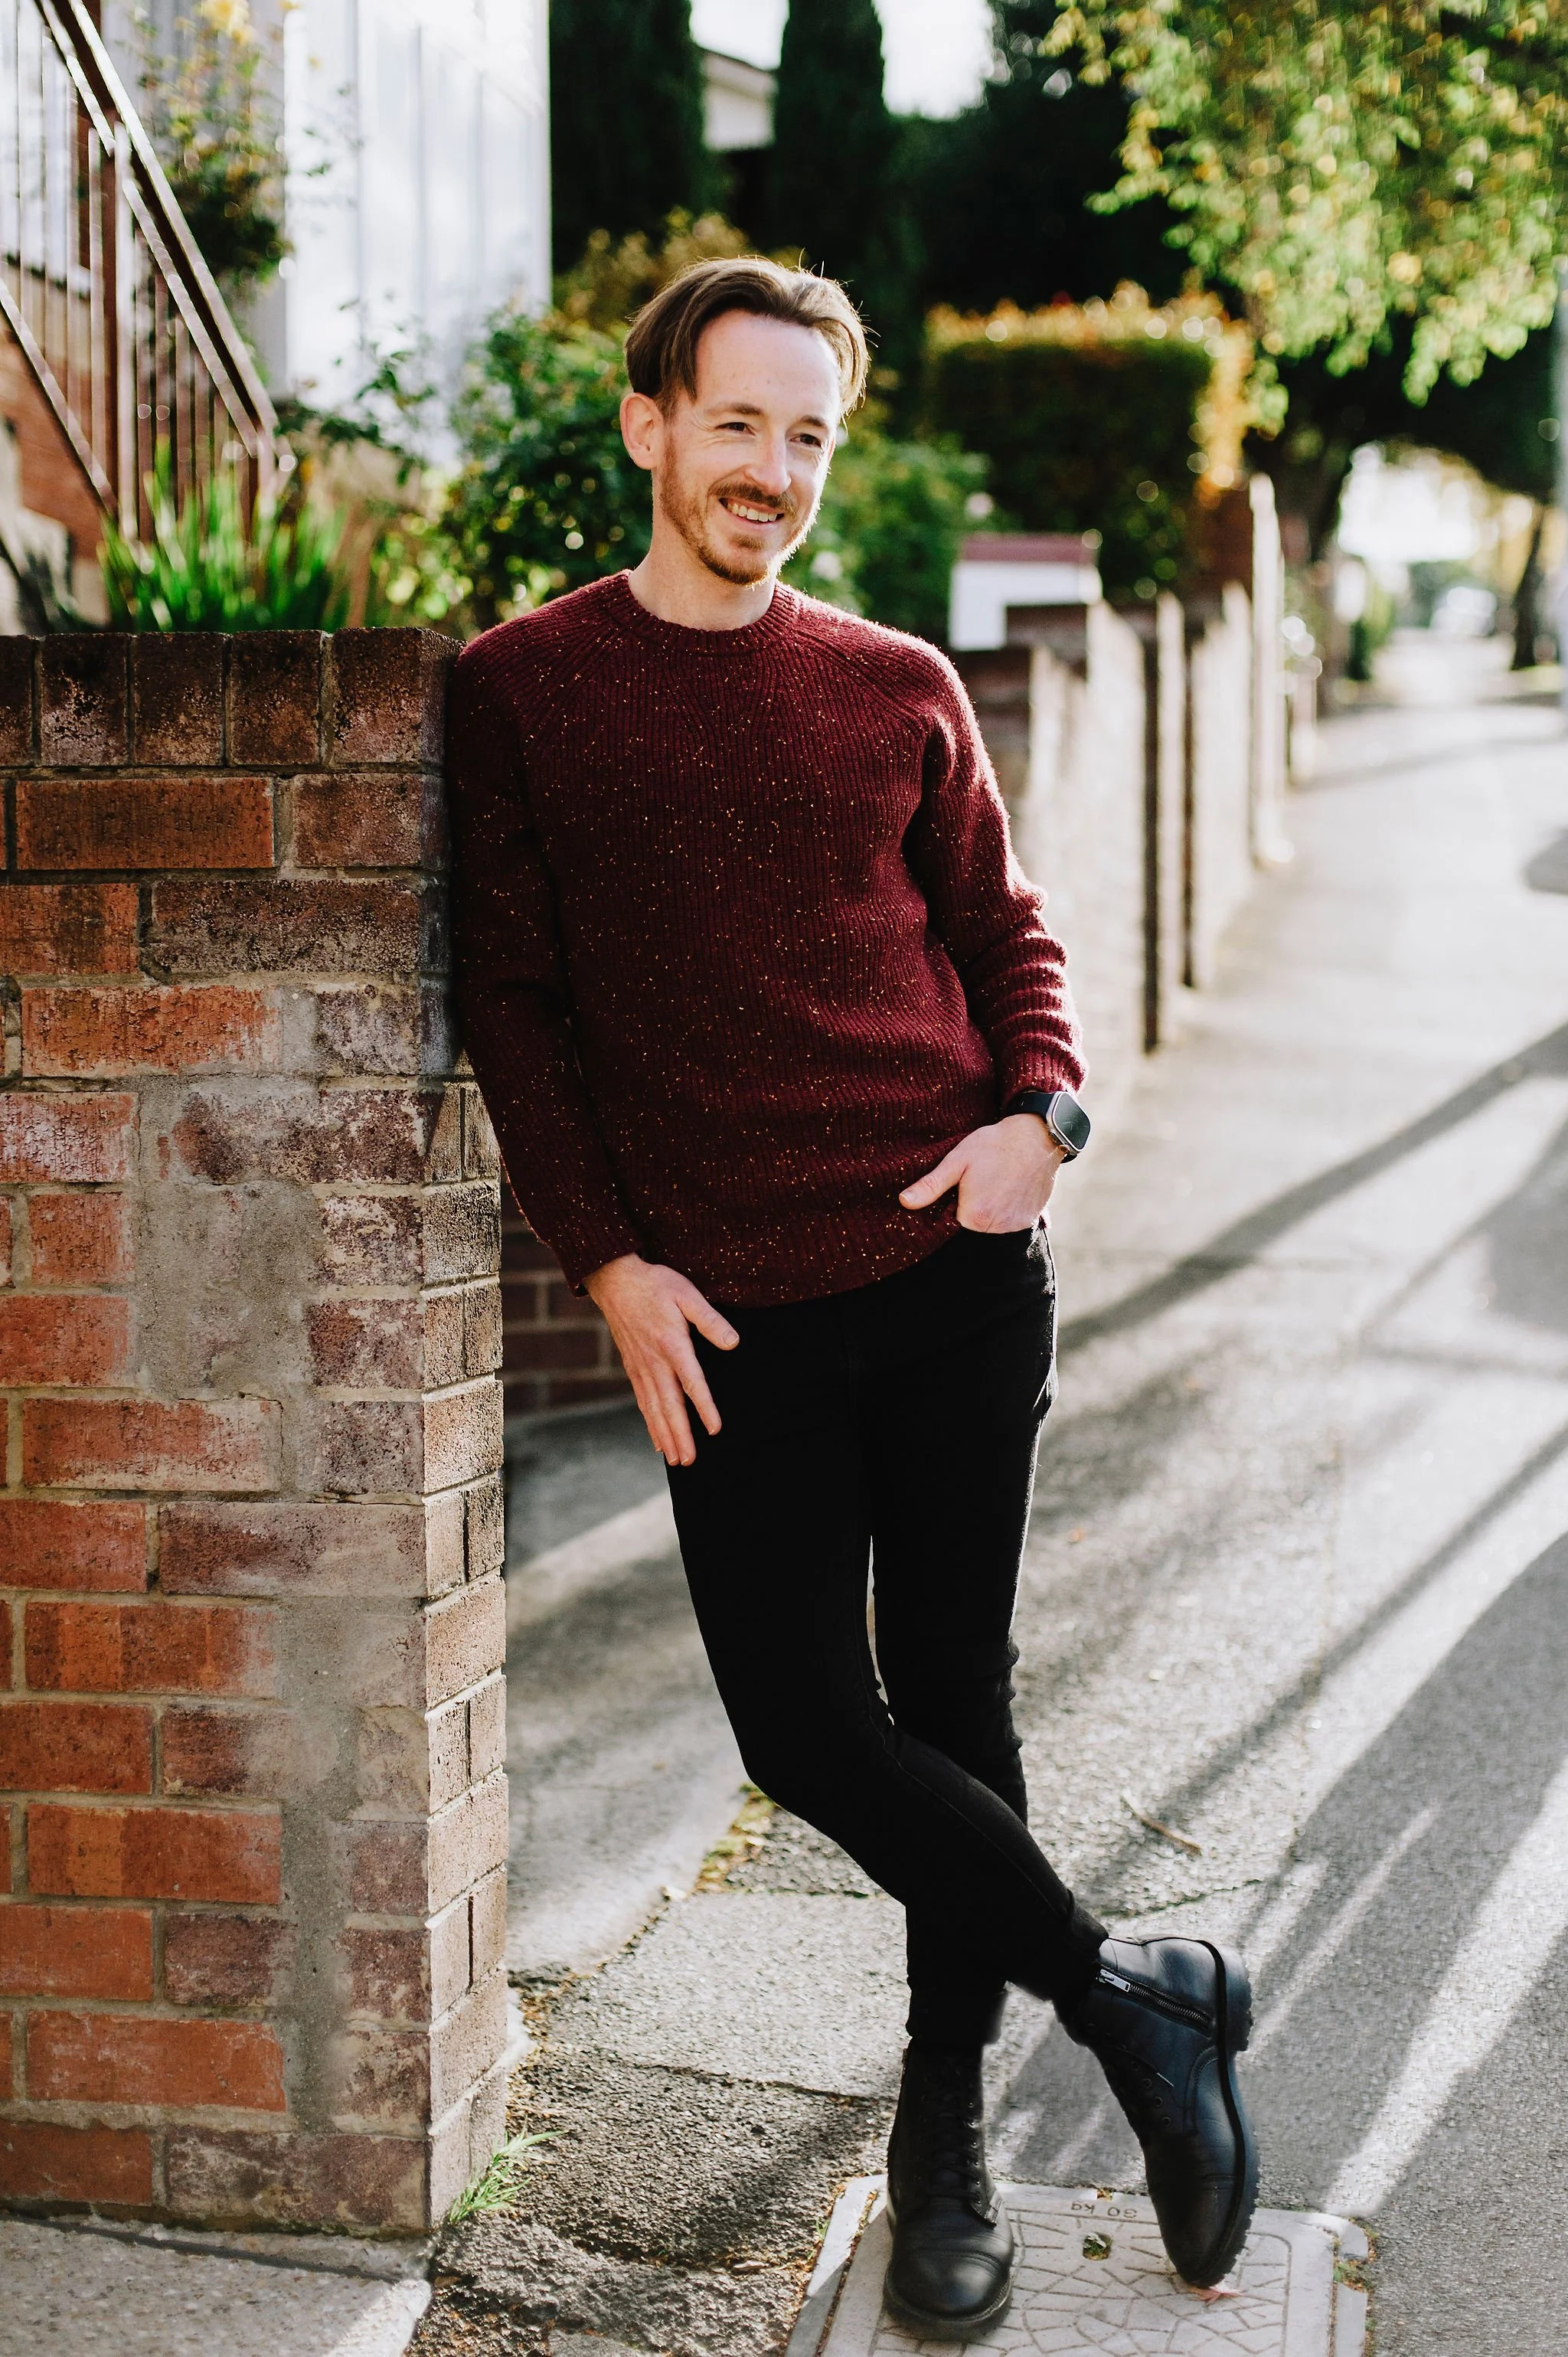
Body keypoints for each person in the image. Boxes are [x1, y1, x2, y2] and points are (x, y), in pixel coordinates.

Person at [446, 256, 1257, 2340]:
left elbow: (1011, 935)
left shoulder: (899, 681)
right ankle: (1132, 1989)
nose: (775, 473)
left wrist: (1045, 1121)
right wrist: (609, 1266)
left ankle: (947, 2123)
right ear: (649, 425)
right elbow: (515, 1007)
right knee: (810, 1727)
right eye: (740, 423)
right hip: (740, 1322)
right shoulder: (522, 690)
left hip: (959, 1277)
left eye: (809, 436)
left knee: (958, 1698)